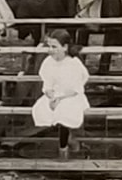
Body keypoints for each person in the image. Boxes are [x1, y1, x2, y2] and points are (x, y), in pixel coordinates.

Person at [29, 29, 91, 159]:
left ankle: (64, 148)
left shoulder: (73, 63)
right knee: (42, 108)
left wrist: (59, 97)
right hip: (54, 95)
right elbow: (47, 82)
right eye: (49, 46)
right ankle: (67, 141)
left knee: (64, 111)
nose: (51, 50)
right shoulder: (48, 62)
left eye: (55, 47)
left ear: (65, 47)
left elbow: (76, 87)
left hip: (71, 96)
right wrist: (49, 93)